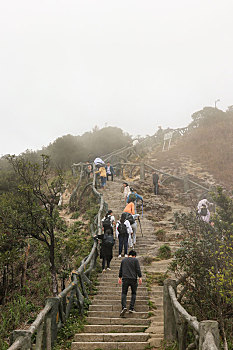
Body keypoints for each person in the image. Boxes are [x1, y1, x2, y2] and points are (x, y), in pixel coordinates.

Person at [118, 250, 142, 316]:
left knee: (124, 293)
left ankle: (124, 307)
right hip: (133, 279)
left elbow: (121, 269)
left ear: (129, 255)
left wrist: (120, 277)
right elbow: (138, 269)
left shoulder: (123, 260)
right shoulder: (135, 260)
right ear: (134, 256)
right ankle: (131, 308)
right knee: (133, 293)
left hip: (125, 279)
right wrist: (140, 277)